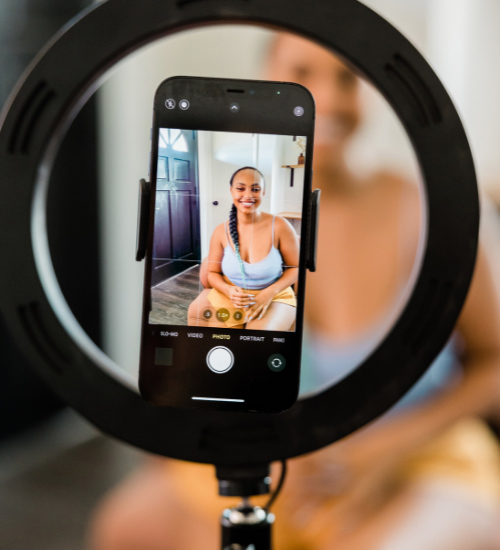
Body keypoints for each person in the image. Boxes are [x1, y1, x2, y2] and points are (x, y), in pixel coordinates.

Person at [88, 33, 500, 550]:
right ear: (268, 84)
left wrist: (381, 452)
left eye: (347, 78)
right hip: (281, 460)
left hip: (420, 457)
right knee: (126, 525)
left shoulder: (433, 211)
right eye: (304, 74)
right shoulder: (224, 230)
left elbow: (494, 365)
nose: (327, 98)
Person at [187, 166, 299, 331]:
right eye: (240, 188)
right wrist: (228, 290)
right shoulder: (220, 232)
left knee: (259, 339)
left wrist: (269, 293)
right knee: (222, 343)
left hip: (274, 296)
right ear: (231, 191)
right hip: (229, 297)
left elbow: (296, 267)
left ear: (263, 192)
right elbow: (212, 273)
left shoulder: (281, 226)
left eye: (255, 189)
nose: (248, 195)